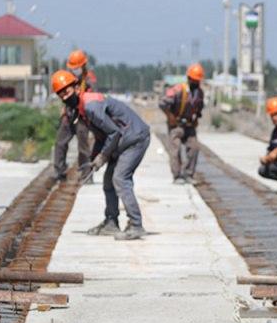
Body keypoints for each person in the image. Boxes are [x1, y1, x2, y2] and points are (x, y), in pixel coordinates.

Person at [51, 70, 152, 240]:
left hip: (135, 138)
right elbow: (102, 136)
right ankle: (111, 222)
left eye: (67, 91)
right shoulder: (81, 109)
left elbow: (114, 132)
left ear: (76, 88)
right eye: (61, 95)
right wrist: (94, 159)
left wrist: (103, 156)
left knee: (120, 178)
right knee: (108, 180)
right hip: (124, 139)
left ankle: (136, 225)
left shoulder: (91, 106)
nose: (65, 97)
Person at [53, 49, 95, 182]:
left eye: (76, 67)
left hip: (82, 116)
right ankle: (59, 172)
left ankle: (86, 174)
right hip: (69, 114)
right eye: (72, 68)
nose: (74, 70)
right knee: (60, 143)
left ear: (83, 65)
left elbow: (92, 98)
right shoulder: (68, 77)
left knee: (83, 147)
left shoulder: (89, 80)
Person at [159, 64, 205, 183]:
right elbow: (162, 103)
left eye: (198, 81)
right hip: (176, 125)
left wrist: (196, 119)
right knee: (176, 149)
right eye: (194, 80)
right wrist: (170, 116)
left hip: (189, 125)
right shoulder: (178, 89)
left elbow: (199, 107)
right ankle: (177, 175)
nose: (196, 83)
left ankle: (188, 174)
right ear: (189, 79)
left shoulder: (199, 93)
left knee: (194, 147)